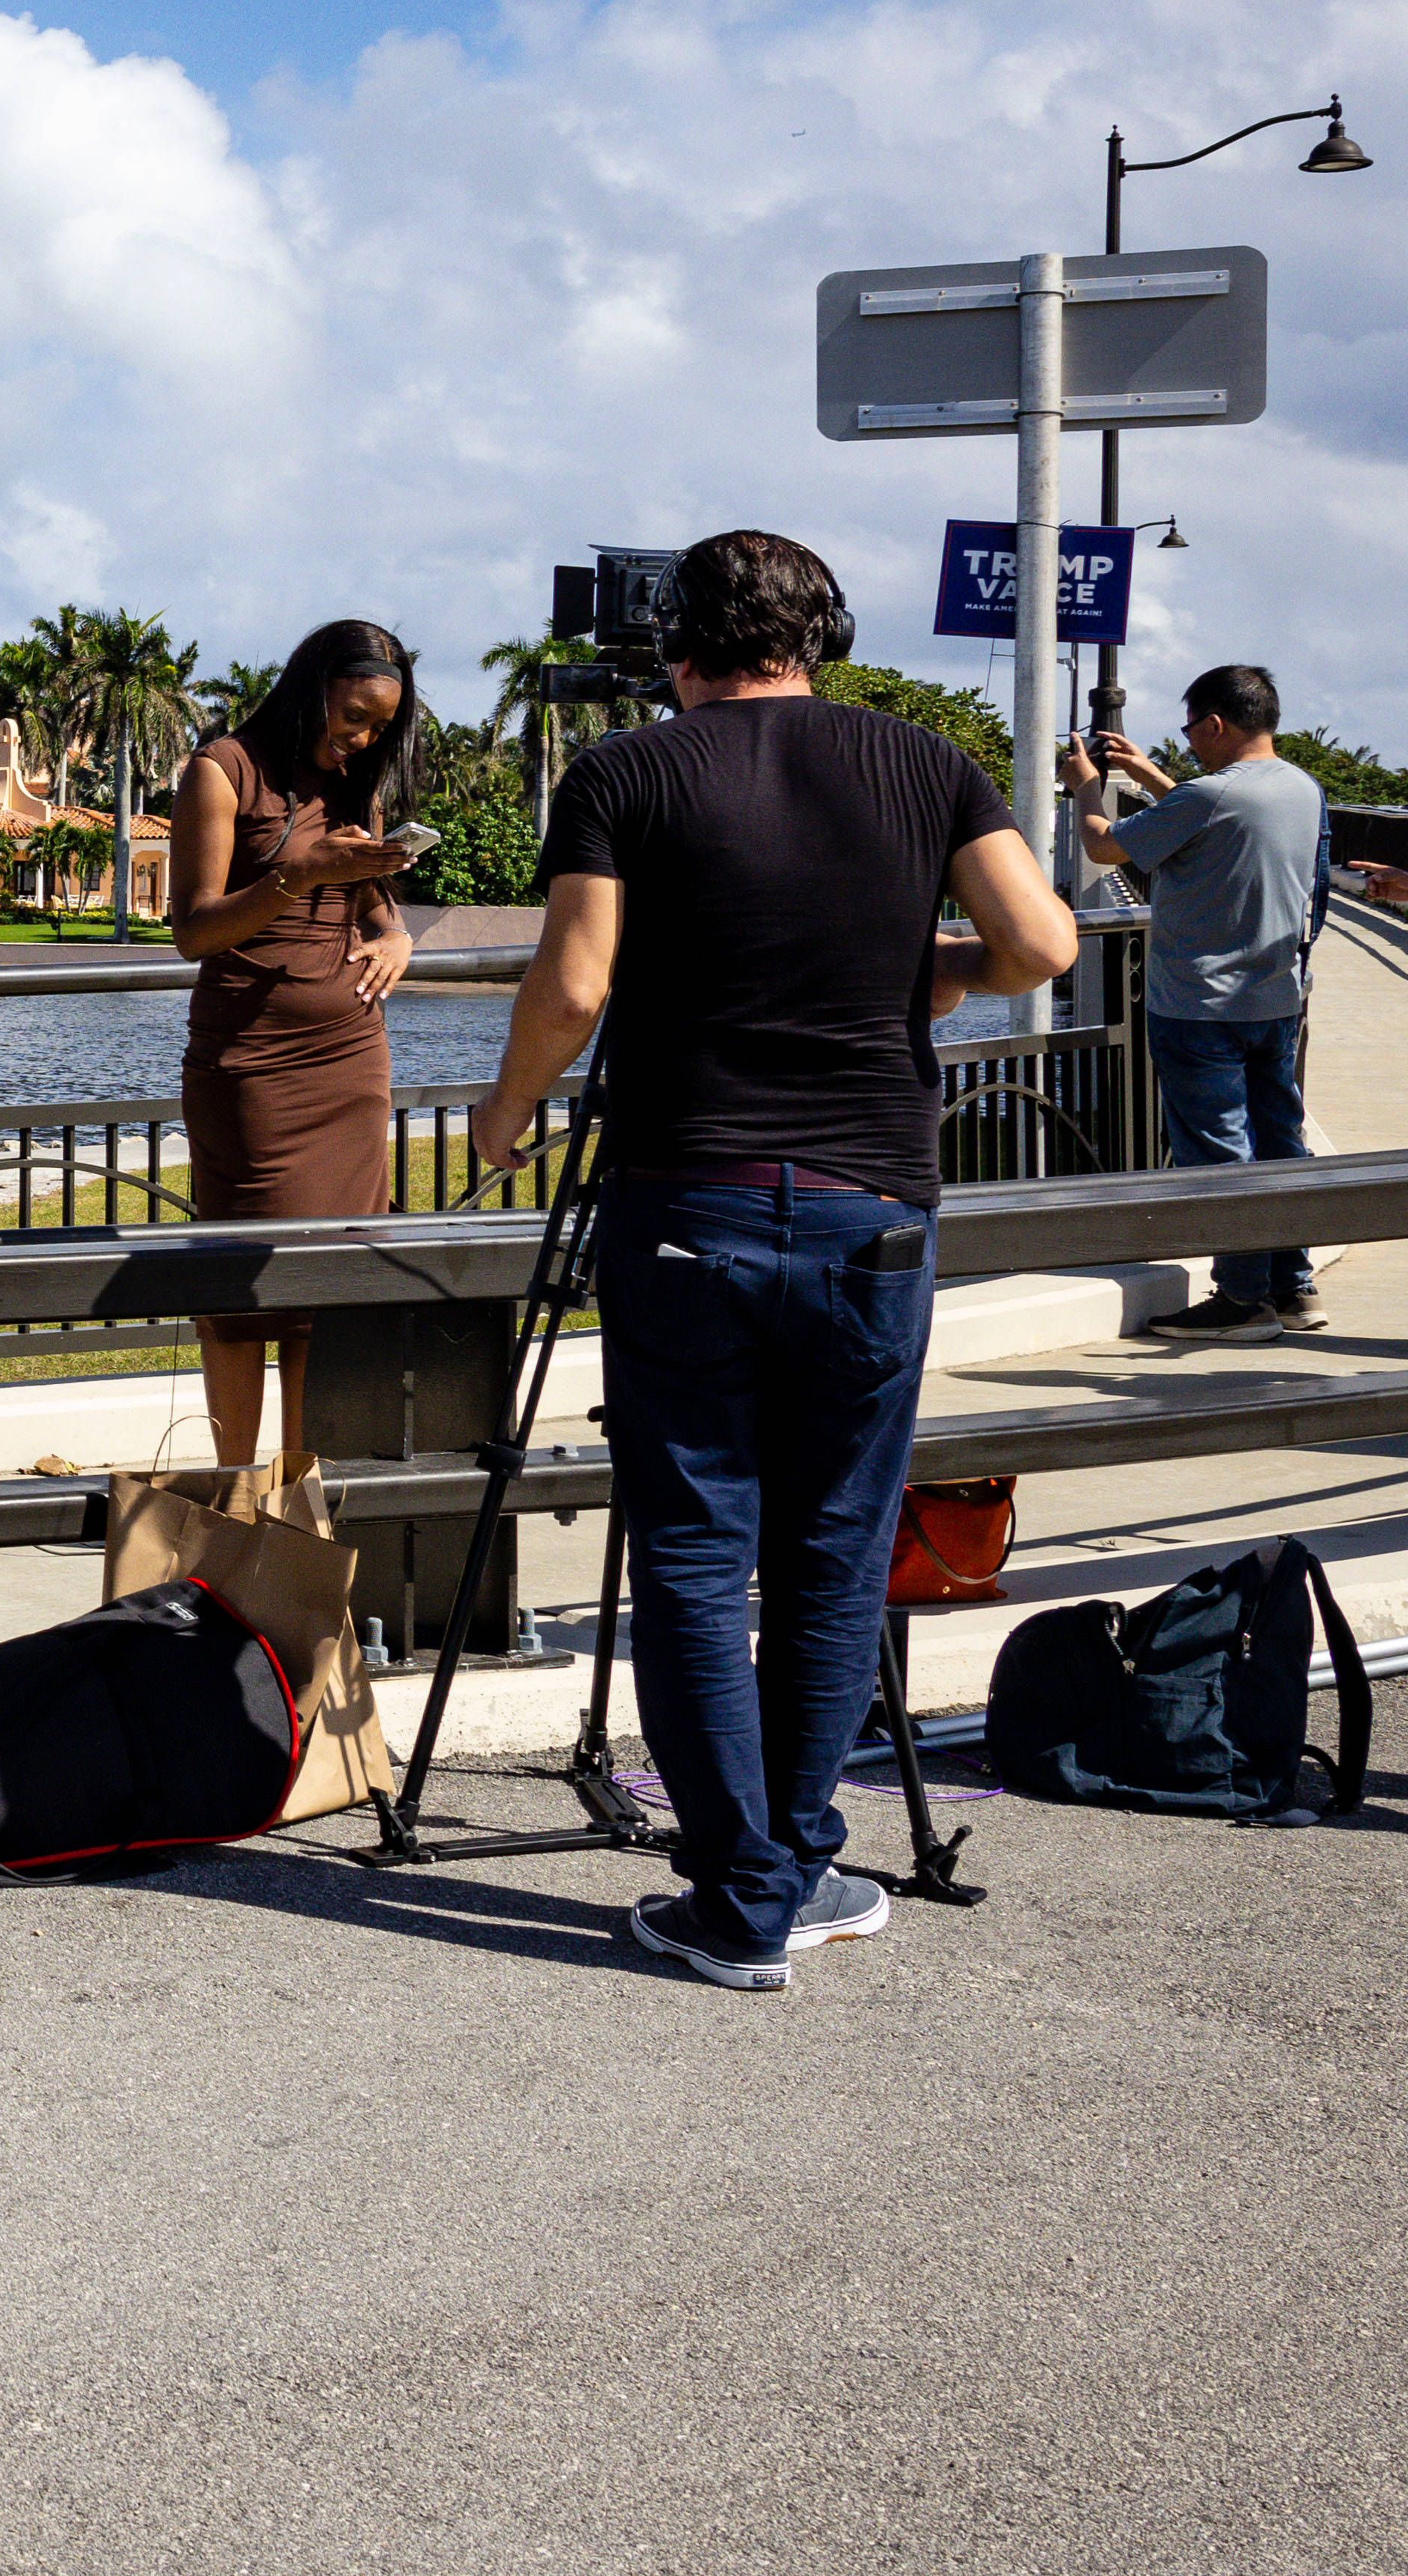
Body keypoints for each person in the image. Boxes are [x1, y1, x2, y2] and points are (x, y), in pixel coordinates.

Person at [473, 531, 1076, 1993]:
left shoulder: (625, 772)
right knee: (830, 1542)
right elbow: (1041, 942)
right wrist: (931, 970)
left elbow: (571, 982)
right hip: (873, 1201)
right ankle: (795, 1862)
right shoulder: (918, 760)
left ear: (677, 642)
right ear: (824, 636)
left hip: (690, 1194)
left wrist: (501, 1116)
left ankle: (738, 1891)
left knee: (691, 1542)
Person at [166, 621, 427, 1465]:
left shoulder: (354, 785)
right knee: (240, 1291)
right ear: (312, 689)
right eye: (353, 717)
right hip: (250, 1062)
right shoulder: (221, 770)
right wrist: (298, 875)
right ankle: (237, 1493)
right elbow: (195, 931)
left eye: (378, 728)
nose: (360, 739)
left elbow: (374, 904)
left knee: (331, 1294)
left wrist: (395, 938)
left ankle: (305, 1500)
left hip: (350, 1063)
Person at [1068, 665, 1331, 1340]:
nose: (1189, 744)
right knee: (1278, 1145)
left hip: (1198, 1006)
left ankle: (1241, 1301)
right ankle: (1293, 1285)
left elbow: (1104, 846)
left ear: (1215, 723)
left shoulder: (1210, 795)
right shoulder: (1301, 788)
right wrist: (1152, 773)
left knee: (1219, 1155)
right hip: (1273, 1002)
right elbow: (1212, 812)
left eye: (1191, 730)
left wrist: (1088, 788)